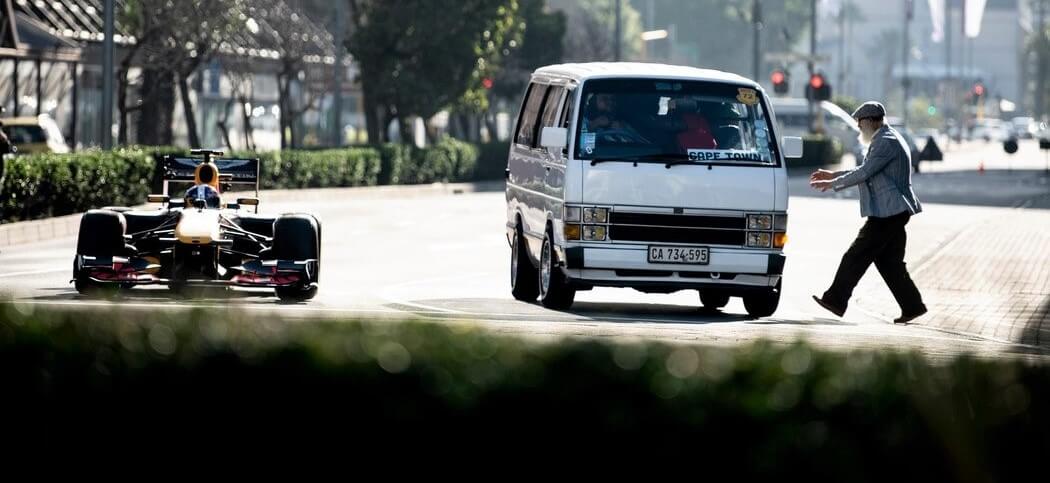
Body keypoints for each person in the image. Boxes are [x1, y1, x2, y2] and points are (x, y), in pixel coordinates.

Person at [808, 101, 928, 324]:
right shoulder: (883, 139)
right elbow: (865, 169)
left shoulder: (886, 142)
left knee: (856, 254)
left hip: (888, 212)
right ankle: (912, 306)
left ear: (872, 121)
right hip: (892, 210)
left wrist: (833, 183)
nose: (859, 127)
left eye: (860, 123)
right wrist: (832, 176)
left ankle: (835, 299)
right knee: (890, 263)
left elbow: (865, 172)